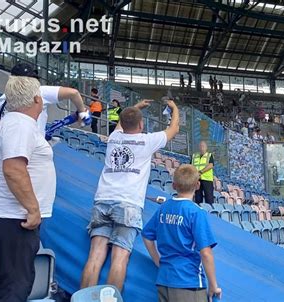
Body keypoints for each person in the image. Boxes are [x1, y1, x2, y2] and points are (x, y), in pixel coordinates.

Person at [80, 99, 180, 291]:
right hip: (128, 204)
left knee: (95, 256)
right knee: (120, 258)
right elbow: (174, 129)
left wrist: (136, 107)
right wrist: (174, 108)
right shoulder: (146, 140)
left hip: (102, 200)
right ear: (141, 125)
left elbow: (122, 122)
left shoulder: (114, 137)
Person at [0, 76, 56, 301]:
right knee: (15, 287)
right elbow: (14, 169)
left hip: (12, 218)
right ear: (37, 99)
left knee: (14, 283)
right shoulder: (20, 123)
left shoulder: (17, 123)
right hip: (14, 219)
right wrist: (33, 209)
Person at [142, 165, 222, 302]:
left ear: (173, 185)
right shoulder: (196, 213)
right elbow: (206, 253)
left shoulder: (164, 208)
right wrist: (214, 285)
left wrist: (157, 259)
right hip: (188, 281)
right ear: (197, 185)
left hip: (164, 280)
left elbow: (147, 235)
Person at [0, 63, 90, 132]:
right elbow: (74, 93)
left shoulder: (2, 99)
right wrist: (82, 113)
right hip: (31, 149)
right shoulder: (39, 92)